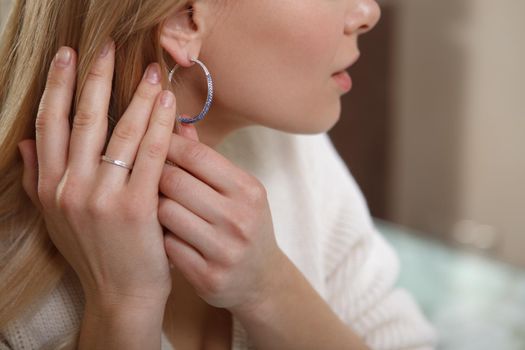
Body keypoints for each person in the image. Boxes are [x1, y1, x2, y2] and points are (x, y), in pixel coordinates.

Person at [0, 0, 437, 349]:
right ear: (183, 20)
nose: (369, 11)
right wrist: (122, 307)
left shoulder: (291, 152)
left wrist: (270, 288)